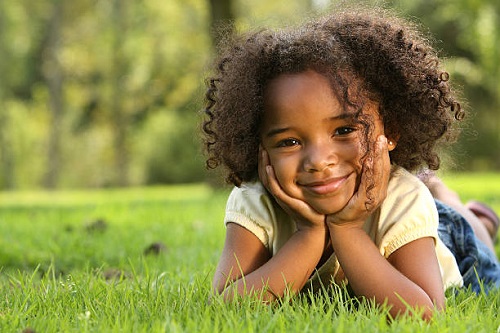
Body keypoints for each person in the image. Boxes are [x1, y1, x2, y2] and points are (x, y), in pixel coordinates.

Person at [201, 7, 500, 320]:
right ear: (258, 146)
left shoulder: (404, 199)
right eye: (289, 142)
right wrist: (309, 234)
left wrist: (346, 229)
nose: (318, 162)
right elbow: (225, 306)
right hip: (402, 221)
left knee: (464, 230)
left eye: (344, 131)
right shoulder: (255, 201)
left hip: (442, 240)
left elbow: (424, 314)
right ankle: (441, 192)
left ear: (391, 131)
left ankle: (474, 214)